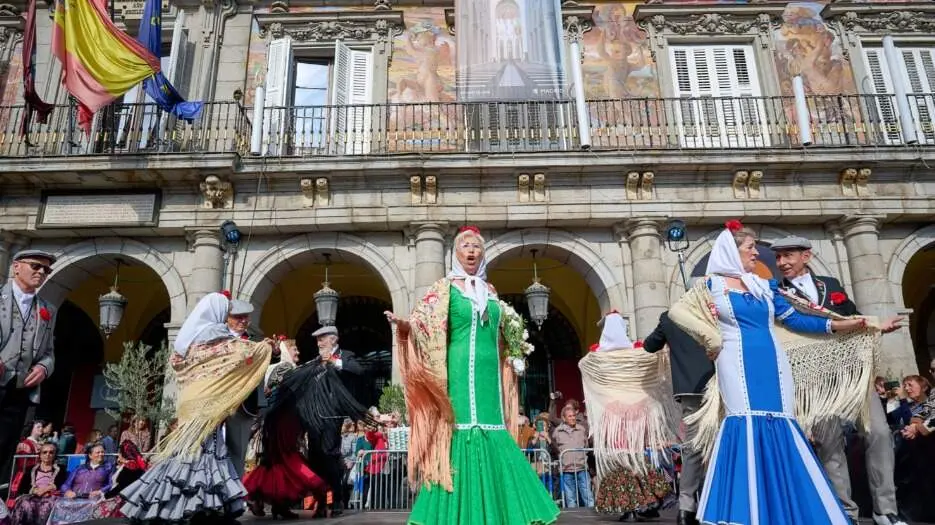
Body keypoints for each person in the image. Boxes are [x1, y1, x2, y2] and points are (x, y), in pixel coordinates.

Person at [669, 221, 872, 525]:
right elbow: (677, 313)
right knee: (744, 421)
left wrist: (848, 324)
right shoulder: (711, 286)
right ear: (731, 251)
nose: (757, 253)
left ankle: (787, 509)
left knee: (782, 423)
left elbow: (798, 320)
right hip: (735, 361)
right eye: (750, 248)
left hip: (773, 362)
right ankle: (747, 510)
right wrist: (709, 338)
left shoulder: (764, 286)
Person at [386, 225, 560, 525]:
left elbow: (506, 332)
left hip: (489, 374)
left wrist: (515, 351)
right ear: (456, 252)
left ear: (482, 253)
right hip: (457, 373)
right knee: (463, 428)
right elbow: (423, 322)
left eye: (476, 247)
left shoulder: (491, 292)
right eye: (465, 246)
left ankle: (505, 512)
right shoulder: (445, 288)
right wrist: (405, 326)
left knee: (493, 427)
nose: (471, 251)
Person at [773, 234, 906, 525]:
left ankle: (886, 509)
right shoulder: (776, 294)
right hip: (816, 380)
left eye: (788, 255)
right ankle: (845, 513)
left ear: (806, 256)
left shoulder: (830, 285)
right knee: (829, 444)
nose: (782, 262)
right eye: (778, 257)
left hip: (853, 373)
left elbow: (853, 317)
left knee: (880, 434)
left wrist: (877, 328)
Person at [119, 292, 273, 524]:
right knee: (206, 452)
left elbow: (179, 363)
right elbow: (239, 353)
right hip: (207, 403)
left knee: (187, 451)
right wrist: (265, 347)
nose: (235, 318)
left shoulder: (188, 337)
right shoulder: (216, 333)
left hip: (192, 401)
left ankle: (169, 502)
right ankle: (202, 506)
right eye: (228, 311)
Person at [580, 313, 678, 521]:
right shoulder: (637, 353)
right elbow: (656, 357)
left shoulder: (598, 356)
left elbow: (583, 364)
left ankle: (631, 506)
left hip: (613, 418)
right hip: (636, 415)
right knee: (636, 459)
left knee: (620, 461)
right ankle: (642, 504)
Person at [243, 338, 328, 519]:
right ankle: (317, 491)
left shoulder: (283, 368)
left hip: (281, 422)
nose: (297, 352)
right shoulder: (285, 368)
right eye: (294, 349)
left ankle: (278, 505)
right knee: (286, 461)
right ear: (285, 350)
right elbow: (277, 396)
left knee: (276, 464)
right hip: (283, 423)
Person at [643, 309, 714, 525]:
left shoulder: (669, 317)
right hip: (717, 386)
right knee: (721, 445)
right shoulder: (711, 312)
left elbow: (649, 345)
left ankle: (685, 508)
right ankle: (717, 502)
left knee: (692, 449)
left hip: (689, 389)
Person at [0, 250, 57, 498]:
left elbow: (49, 352)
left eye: (46, 269)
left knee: (4, 448)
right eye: (36, 266)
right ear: (16, 267)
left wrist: (44, 367)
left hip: (20, 391)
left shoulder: (47, 309)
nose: (41, 272)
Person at [309, 325, 364, 516]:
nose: (319, 343)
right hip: (315, 415)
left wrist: (333, 361)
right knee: (315, 456)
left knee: (329, 454)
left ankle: (337, 499)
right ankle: (322, 500)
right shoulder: (316, 361)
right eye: (317, 340)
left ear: (333, 339)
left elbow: (358, 370)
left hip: (333, 414)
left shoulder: (345, 355)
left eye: (322, 338)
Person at [224, 298, 263, 478]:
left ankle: (234, 496)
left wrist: (276, 352)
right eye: (238, 317)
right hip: (219, 401)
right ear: (227, 318)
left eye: (245, 317)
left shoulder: (255, 339)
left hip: (244, 405)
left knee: (238, 451)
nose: (243, 321)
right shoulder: (218, 337)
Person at [47, 443, 113, 525]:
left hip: (92, 500)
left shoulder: (107, 468)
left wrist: (100, 491)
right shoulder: (80, 468)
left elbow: (110, 484)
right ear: (90, 455)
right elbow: (66, 484)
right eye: (98, 452)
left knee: (92, 507)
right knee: (59, 504)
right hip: (74, 498)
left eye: (102, 452)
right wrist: (68, 491)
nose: (101, 454)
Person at [10, 442, 68, 525]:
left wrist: (45, 490)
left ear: (54, 455)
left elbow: (60, 483)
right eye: (44, 452)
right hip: (33, 494)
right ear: (40, 455)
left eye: (51, 452)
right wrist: (35, 491)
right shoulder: (30, 469)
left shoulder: (60, 469)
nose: (48, 454)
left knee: (46, 506)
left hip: (50, 496)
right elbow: (23, 487)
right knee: (25, 503)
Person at [92, 440, 147, 519]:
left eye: (120, 452)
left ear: (124, 454)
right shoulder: (135, 465)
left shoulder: (131, 466)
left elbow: (121, 486)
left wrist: (105, 496)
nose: (118, 454)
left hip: (123, 501)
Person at [8, 420, 48, 505]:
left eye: (42, 427)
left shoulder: (41, 444)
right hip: (26, 476)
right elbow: (23, 463)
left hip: (39, 476)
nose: (41, 428)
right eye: (38, 427)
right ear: (31, 429)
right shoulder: (25, 443)